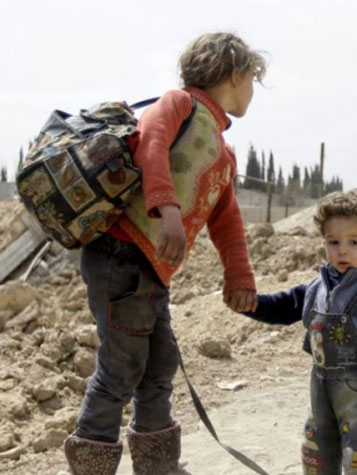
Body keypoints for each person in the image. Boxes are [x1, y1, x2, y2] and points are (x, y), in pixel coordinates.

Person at [63, 32, 266, 475]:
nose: (252, 90)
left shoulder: (223, 150)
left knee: (159, 366)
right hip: (120, 254)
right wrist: (166, 206)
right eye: (252, 80)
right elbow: (150, 142)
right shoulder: (179, 105)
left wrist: (239, 277)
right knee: (122, 366)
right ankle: (91, 464)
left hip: (151, 269)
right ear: (235, 74)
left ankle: (158, 465)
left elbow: (227, 220)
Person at [241, 190, 357, 475]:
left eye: (354, 242)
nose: (342, 250)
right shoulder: (315, 288)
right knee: (316, 451)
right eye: (334, 242)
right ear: (324, 243)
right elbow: (283, 307)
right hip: (321, 387)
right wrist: (250, 304)